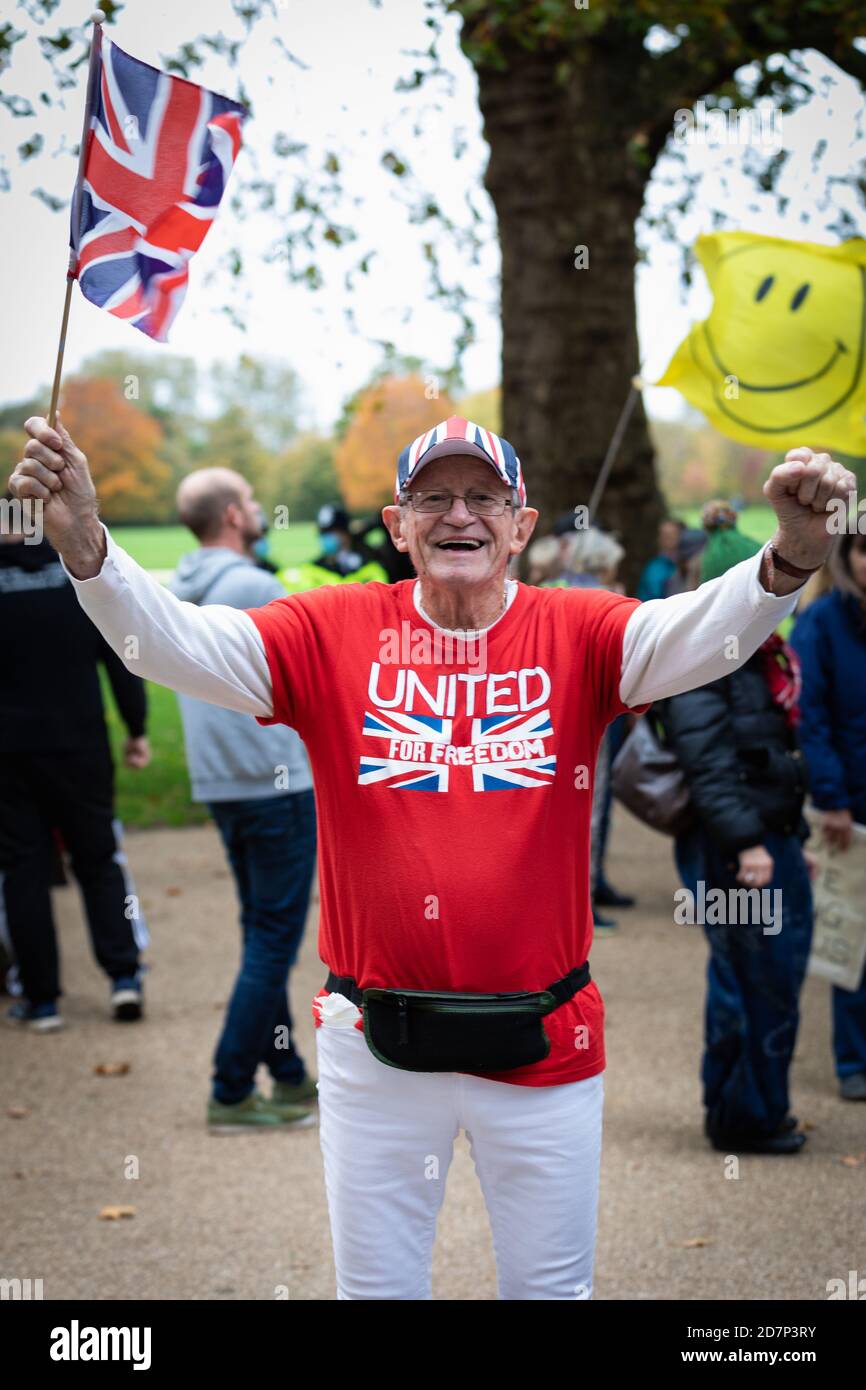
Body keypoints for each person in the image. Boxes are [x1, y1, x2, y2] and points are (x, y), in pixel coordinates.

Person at [8, 411, 853, 1299]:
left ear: (523, 525)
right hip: (377, 1045)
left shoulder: (582, 630)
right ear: (397, 525)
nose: (461, 515)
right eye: (434, 497)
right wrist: (87, 544)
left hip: (545, 1044)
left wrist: (788, 560)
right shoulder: (326, 630)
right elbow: (171, 642)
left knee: (551, 1295)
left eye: (485, 497)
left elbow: (701, 633)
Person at [656, 501, 814, 1154]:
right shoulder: (707, 659)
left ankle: (749, 1105)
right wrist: (749, 843)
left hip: (767, 836)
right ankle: (745, 1116)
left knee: (763, 975)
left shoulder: (762, 656)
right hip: (734, 846)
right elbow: (708, 761)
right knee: (753, 978)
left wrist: (788, 839)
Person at [171, 468, 318, 1131]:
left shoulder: (181, 590)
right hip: (274, 783)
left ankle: (287, 1077)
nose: (260, 511)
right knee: (272, 943)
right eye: (254, 502)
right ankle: (230, 1090)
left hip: (224, 784)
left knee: (261, 932)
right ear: (233, 515)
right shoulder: (255, 586)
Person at [0, 515, 149, 1029]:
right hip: (79, 743)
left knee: (22, 869)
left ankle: (42, 1000)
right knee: (98, 859)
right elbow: (119, 654)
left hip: (9, 751)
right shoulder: (74, 576)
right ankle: (123, 977)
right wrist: (136, 727)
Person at [791, 532, 866, 1101]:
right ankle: (853, 1061)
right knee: (854, 936)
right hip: (851, 804)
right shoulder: (821, 623)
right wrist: (832, 798)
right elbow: (810, 717)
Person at [277, 503, 388, 592]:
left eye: (332, 532)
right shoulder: (315, 567)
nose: (326, 537)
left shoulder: (369, 561)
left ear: (345, 533)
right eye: (323, 533)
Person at [637, 518, 685, 601]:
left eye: (674, 533)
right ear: (659, 538)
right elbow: (654, 596)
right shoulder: (654, 567)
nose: (670, 537)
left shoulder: (685, 561)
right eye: (666, 534)